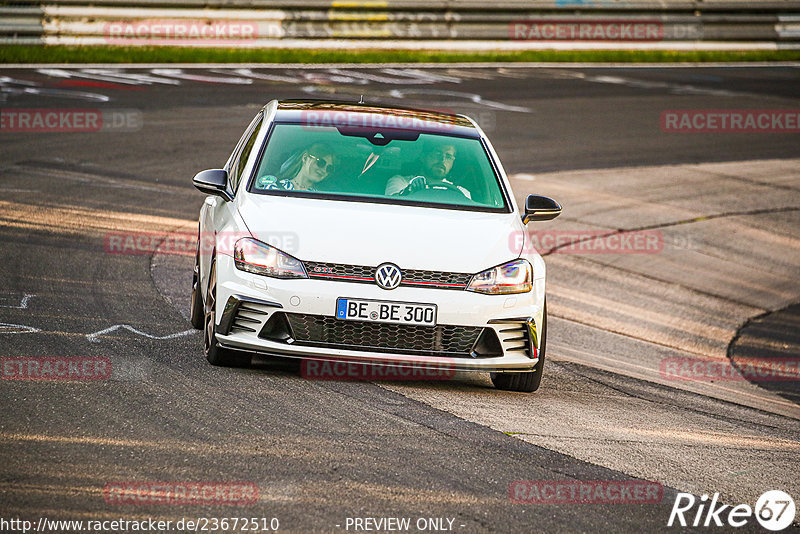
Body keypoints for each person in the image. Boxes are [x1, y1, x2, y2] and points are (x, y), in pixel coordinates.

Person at [385, 143, 471, 199]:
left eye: (448, 157)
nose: (442, 160)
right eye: (438, 153)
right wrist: (409, 191)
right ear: (423, 157)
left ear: (452, 163)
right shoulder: (401, 182)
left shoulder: (461, 193)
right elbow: (391, 206)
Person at [255, 143, 335, 191]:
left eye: (329, 168)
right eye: (321, 163)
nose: (324, 170)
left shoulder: (322, 199)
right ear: (305, 158)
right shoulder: (272, 187)